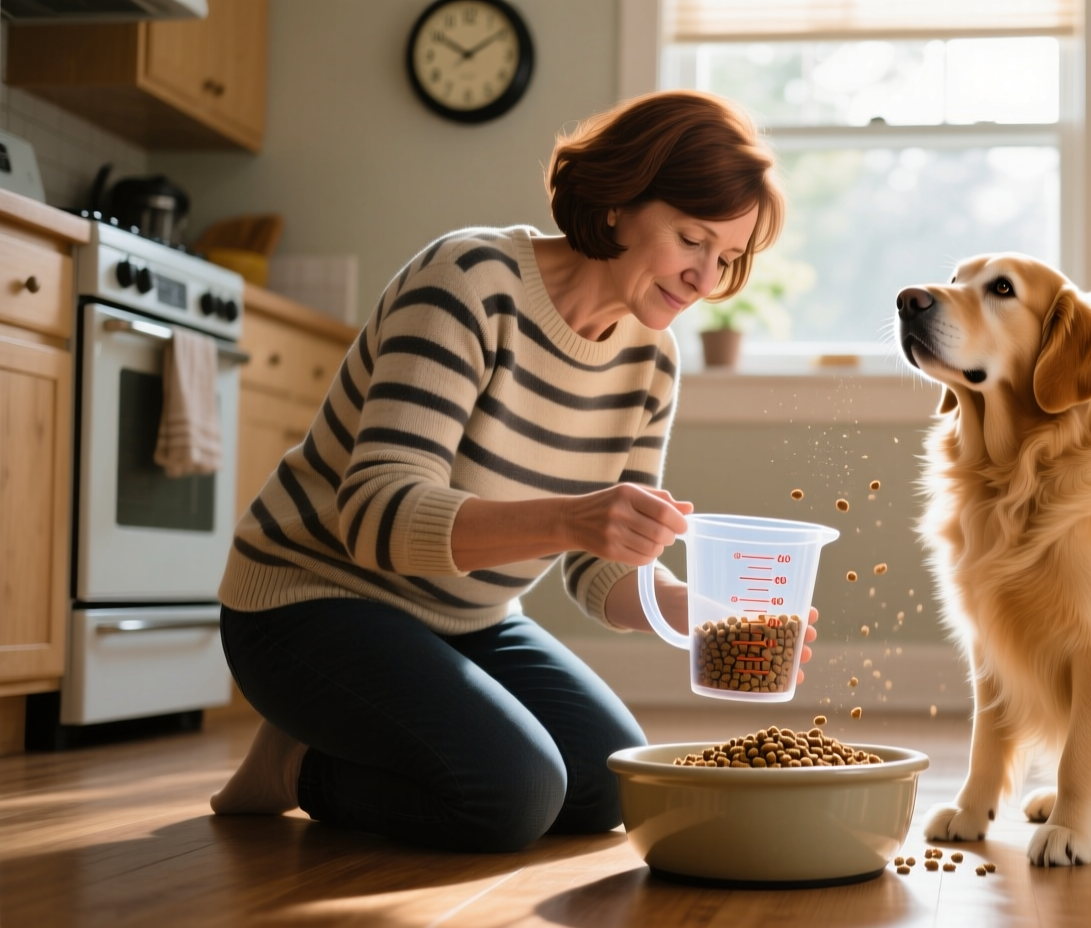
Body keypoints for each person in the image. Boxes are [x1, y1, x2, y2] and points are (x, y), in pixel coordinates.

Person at [208, 91, 810, 853]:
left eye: (725, 260)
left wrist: (697, 611)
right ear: (621, 202)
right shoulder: (470, 281)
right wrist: (569, 516)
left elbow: (599, 571)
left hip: (467, 622)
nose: (702, 279)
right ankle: (299, 768)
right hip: (309, 601)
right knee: (513, 792)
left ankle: (370, 733)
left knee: (608, 784)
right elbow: (376, 519)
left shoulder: (651, 360)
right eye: (692, 239)